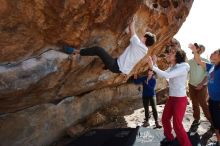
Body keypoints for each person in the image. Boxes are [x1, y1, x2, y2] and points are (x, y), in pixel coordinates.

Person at [69, 17, 156, 75]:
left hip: (116, 66)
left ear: (145, 39)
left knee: (98, 50)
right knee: (110, 59)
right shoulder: (143, 50)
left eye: (143, 35)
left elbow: (132, 28)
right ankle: (105, 66)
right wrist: (128, 31)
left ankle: (76, 52)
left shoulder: (137, 44)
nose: (141, 36)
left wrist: (132, 19)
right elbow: (131, 34)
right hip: (120, 68)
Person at [147, 40, 192, 146]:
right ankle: (170, 138)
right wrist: (154, 64)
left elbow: (167, 76)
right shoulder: (172, 67)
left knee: (177, 125)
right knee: (165, 119)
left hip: (180, 99)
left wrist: (153, 67)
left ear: (177, 56)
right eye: (169, 52)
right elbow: (163, 74)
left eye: (171, 53)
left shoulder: (184, 66)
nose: (168, 54)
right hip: (172, 98)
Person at [188, 44, 220, 146]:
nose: (212, 53)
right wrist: (194, 50)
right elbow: (198, 61)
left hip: (218, 101)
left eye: (215, 52)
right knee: (216, 125)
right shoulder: (211, 66)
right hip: (212, 100)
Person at [188, 43, 212, 132]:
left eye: (199, 48)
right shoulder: (189, 62)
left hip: (202, 86)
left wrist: (201, 84)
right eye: (197, 47)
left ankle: (213, 123)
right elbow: (186, 74)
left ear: (201, 51)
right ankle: (196, 120)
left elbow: (208, 75)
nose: (197, 49)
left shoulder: (205, 61)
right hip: (191, 85)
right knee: (194, 104)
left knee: (203, 104)